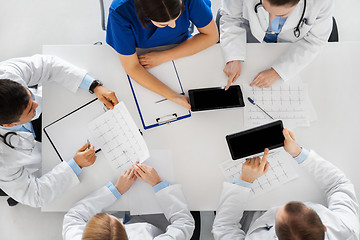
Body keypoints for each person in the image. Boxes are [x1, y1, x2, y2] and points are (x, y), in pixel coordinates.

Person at [0, 54, 119, 207]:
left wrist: (94, 85)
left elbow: (48, 64)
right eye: (30, 108)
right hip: (11, 170)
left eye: (30, 96)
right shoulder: (4, 160)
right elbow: (35, 196)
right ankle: (12, 188)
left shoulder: (6, 74)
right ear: (9, 124)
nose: (36, 104)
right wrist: (76, 165)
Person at [212, 129, 359, 239]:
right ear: (324, 227)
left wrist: (244, 181)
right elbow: (338, 185)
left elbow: (224, 228)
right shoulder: (345, 229)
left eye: (278, 213)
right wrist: (299, 153)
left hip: (253, 213)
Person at [106, 0, 219, 109]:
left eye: (178, 16)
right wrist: (174, 96)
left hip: (183, 48)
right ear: (142, 13)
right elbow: (132, 67)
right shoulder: (120, 11)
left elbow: (211, 36)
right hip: (142, 53)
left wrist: (164, 56)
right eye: (163, 24)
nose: (173, 25)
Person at [220, 0, 335, 89]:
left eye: (282, 14)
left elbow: (315, 40)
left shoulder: (321, 2)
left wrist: (278, 71)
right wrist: (233, 56)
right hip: (251, 43)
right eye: (265, 9)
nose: (271, 18)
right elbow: (231, 18)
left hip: (291, 47)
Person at [63, 163, 195, 240]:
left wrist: (116, 190)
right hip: (159, 220)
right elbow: (184, 223)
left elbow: (73, 217)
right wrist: (157, 183)